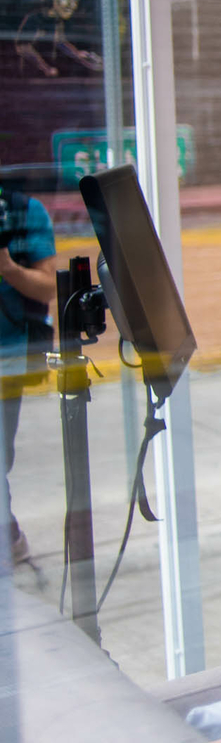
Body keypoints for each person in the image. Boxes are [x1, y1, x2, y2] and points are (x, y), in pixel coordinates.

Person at [0, 182, 57, 566]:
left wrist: (7, 268)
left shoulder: (22, 211)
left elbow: (50, 287)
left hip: (7, 359)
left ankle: (9, 538)